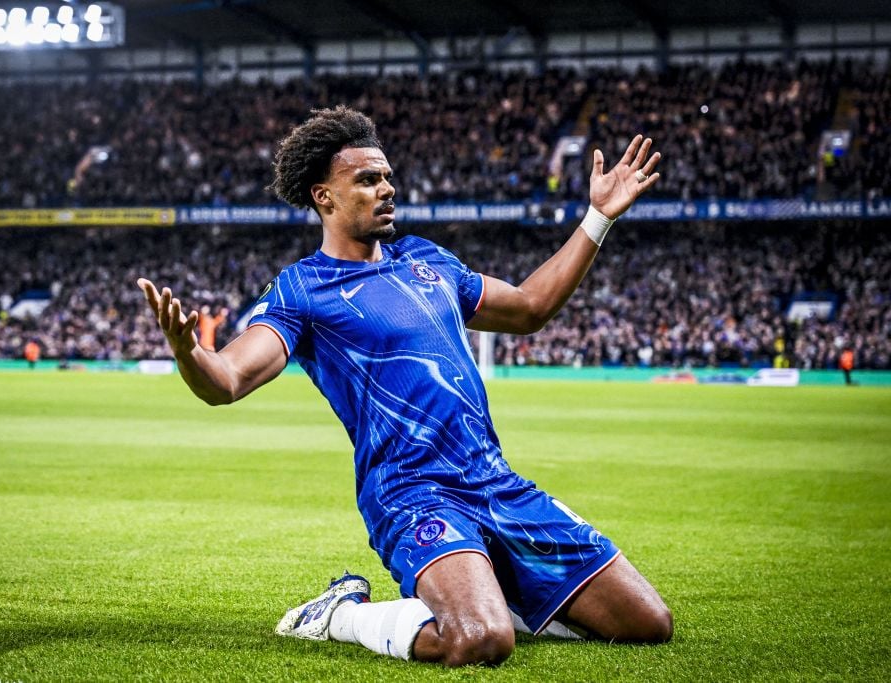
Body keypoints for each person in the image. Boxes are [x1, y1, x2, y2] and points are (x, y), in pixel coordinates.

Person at [137, 106, 671, 667]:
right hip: (412, 493)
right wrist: (188, 350)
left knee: (647, 624)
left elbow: (530, 307)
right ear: (325, 197)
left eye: (387, 176)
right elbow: (227, 380)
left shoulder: (427, 259)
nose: (387, 188)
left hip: (494, 480)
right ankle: (340, 613)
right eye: (367, 180)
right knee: (481, 641)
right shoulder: (303, 290)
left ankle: (487, 585)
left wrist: (597, 218)